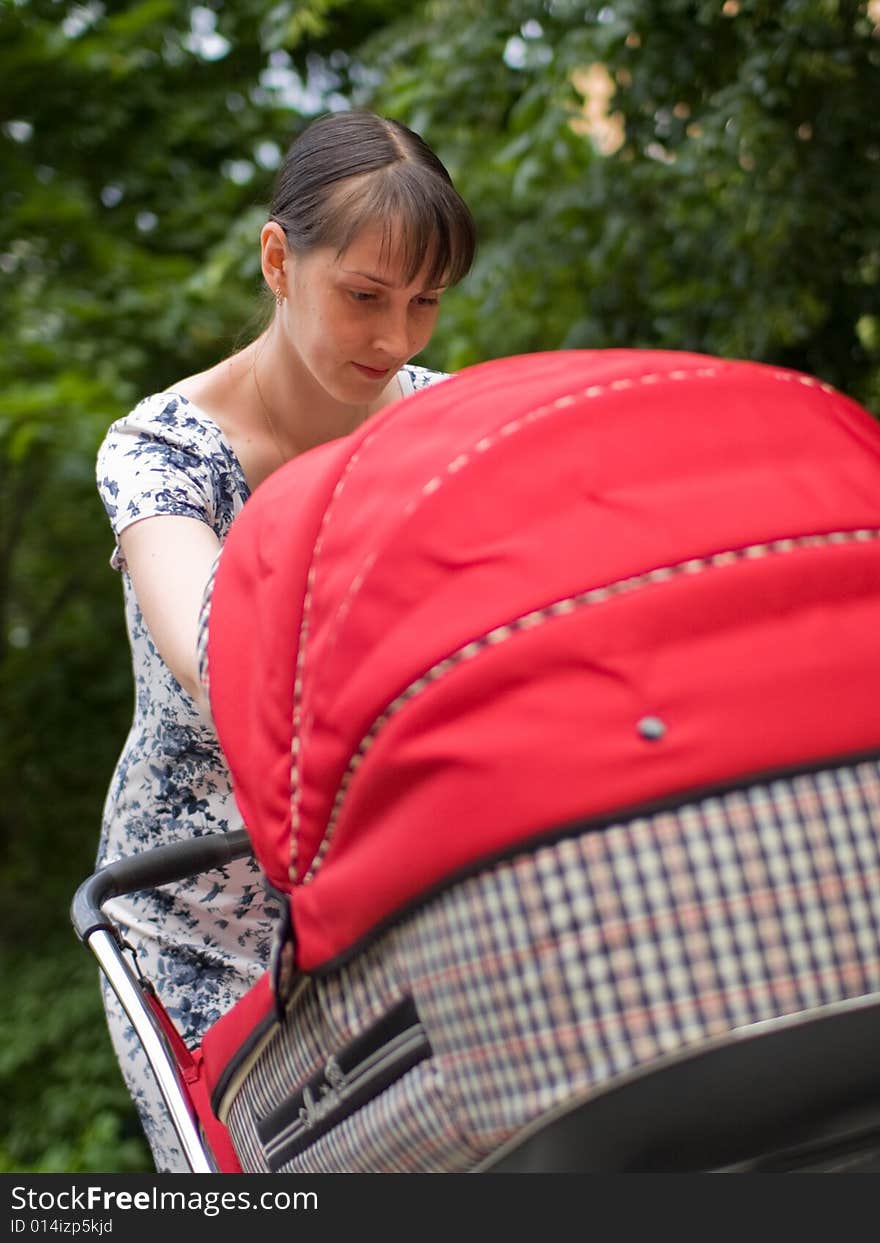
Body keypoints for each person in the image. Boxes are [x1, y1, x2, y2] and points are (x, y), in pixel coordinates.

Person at [94, 109, 476, 1172]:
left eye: (426, 303)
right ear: (279, 259)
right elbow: (222, 662)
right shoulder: (165, 452)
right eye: (363, 296)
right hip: (196, 914)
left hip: (380, 889)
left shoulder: (436, 432)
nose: (395, 340)